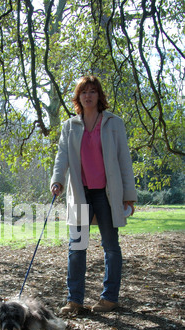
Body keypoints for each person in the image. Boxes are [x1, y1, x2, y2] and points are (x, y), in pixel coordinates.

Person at [50, 75, 137, 313]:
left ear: (99, 96)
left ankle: (109, 298)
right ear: (78, 97)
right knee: (76, 247)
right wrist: (57, 180)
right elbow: (62, 157)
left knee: (111, 247)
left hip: (107, 195)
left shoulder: (113, 123)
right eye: (83, 92)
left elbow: (124, 161)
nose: (88, 95)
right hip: (80, 194)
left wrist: (128, 194)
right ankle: (75, 300)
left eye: (92, 91)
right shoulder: (69, 126)